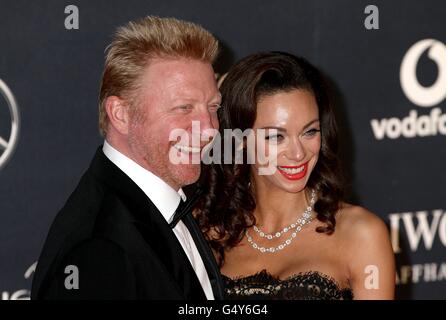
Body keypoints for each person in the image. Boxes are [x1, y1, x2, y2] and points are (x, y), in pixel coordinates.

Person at [31, 16, 224, 299]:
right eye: (184, 108)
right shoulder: (99, 248)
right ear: (121, 114)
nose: (208, 128)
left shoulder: (161, 203)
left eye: (213, 106)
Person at [195, 52, 395, 300]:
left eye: (309, 132)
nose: (298, 153)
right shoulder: (207, 232)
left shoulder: (361, 233)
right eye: (276, 136)